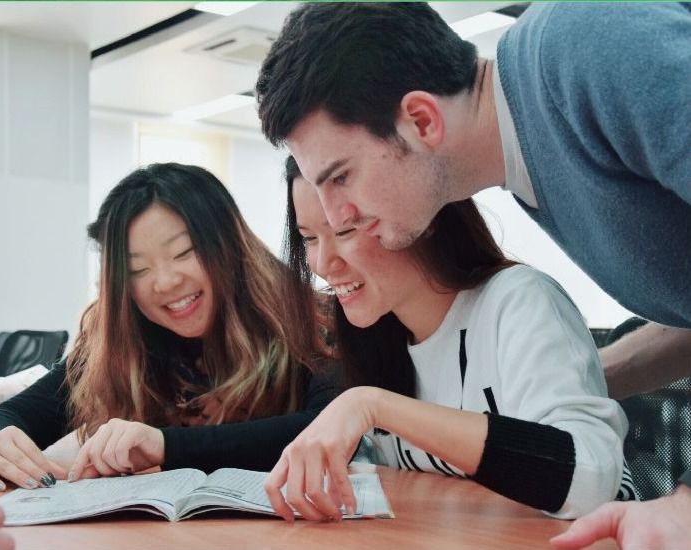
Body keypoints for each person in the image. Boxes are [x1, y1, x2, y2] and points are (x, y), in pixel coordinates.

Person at [256, 4, 691, 547]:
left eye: (340, 176)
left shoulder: (581, 46)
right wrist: (580, 378)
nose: (337, 215)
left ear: (421, 120)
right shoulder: (536, 167)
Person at [264, 156, 635, 522]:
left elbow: (588, 480)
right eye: (309, 238)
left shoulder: (519, 300)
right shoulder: (378, 338)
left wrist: (374, 405)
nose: (322, 263)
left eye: (345, 231)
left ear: (422, 216)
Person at [0, 162, 337, 491]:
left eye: (183, 252)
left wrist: (163, 445)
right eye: (138, 270)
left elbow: (331, 427)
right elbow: (10, 415)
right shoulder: (122, 343)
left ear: (230, 246)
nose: (165, 282)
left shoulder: (308, 319)